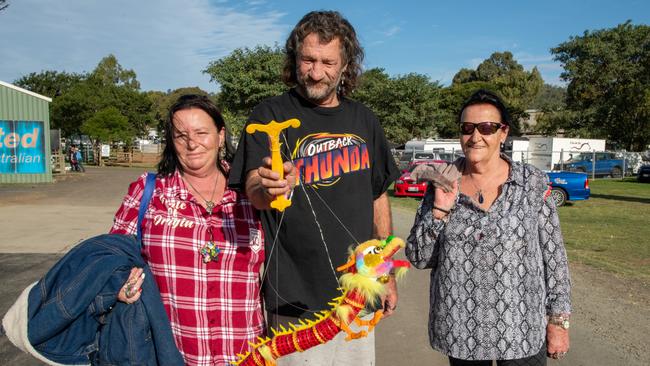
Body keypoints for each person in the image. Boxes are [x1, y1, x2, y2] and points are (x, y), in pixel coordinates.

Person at [229, 10, 401, 366]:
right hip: (296, 302)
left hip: (357, 297)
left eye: (327, 62)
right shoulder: (267, 115)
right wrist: (269, 185)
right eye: (308, 59)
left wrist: (385, 275)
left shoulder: (364, 120)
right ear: (295, 58)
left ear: (345, 65)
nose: (316, 72)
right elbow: (252, 186)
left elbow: (377, 195)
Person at [406, 89, 571, 365]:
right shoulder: (442, 181)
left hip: (521, 332)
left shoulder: (531, 183)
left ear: (503, 133)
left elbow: (554, 258)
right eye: (467, 128)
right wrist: (440, 210)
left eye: (486, 127)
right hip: (461, 333)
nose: (475, 136)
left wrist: (558, 323)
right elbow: (419, 257)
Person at [110, 94, 265, 366]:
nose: (192, 144)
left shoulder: (251, 195)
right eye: (181, 135)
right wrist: (122, 284)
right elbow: (113, 259)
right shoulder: (149, 191)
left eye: (202, 133)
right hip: (169, 354)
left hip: (247, 355)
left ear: (220, 136)